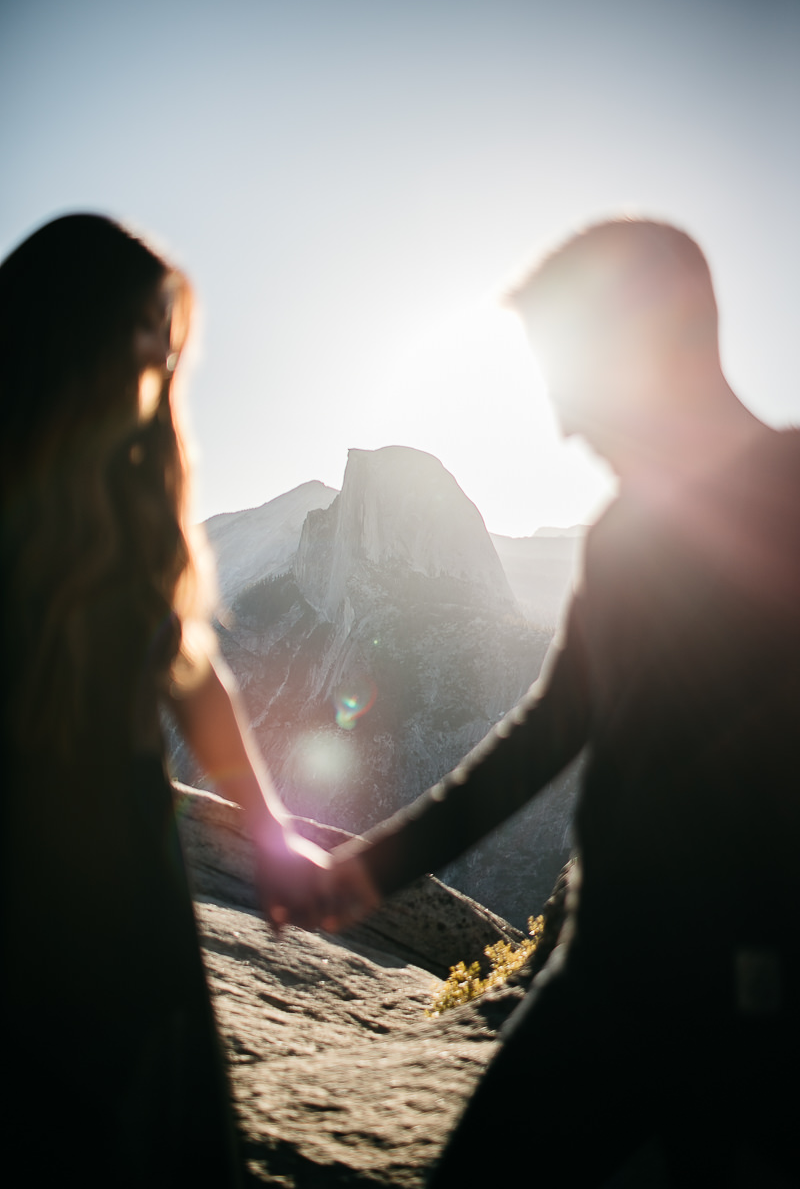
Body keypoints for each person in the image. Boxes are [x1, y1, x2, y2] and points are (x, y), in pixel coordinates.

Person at [328, 219, 800, 1183]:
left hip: (755, 1005)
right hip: (604, 975)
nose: (563, 425)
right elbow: (546, 733)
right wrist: (367, 873)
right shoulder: (624, 535)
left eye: (572, 381)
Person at [0, 214, 338, 1185]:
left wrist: (272, 835)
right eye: (144, 323)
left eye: (167, 329)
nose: (162, 351)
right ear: (71, 324)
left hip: (127, 875)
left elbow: (191, 671)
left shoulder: (138, 485)